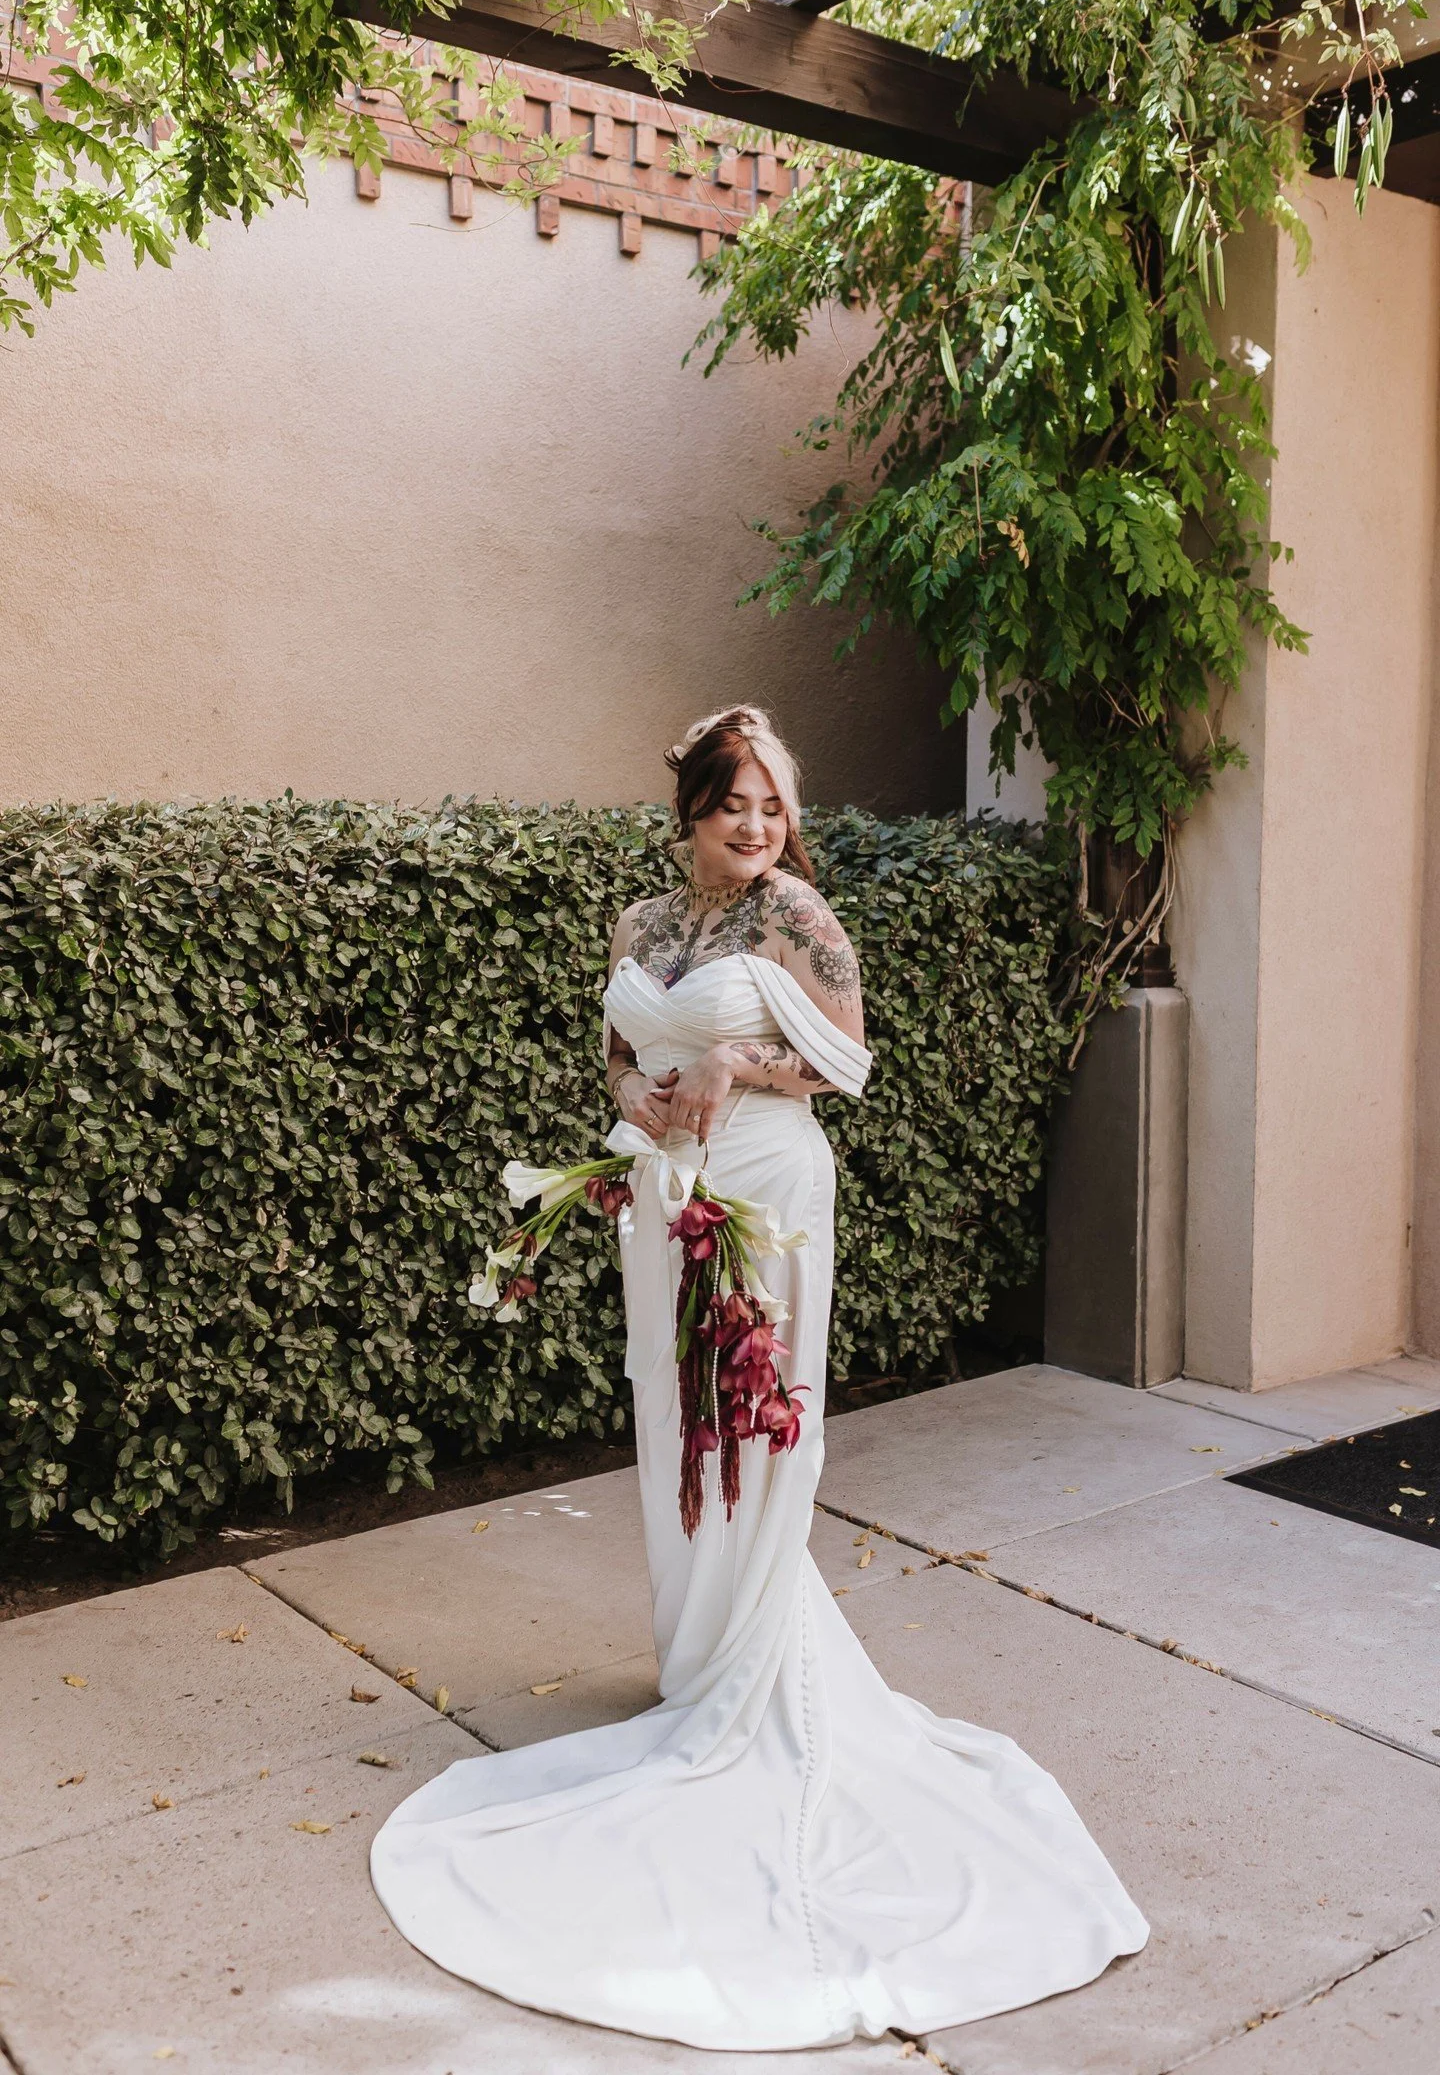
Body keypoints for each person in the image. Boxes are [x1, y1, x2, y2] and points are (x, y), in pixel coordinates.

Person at [370, 705, 1147, 2050]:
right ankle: (696, 1660)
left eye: (772, 807)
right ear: (689, 810)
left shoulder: (799, 921)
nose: (755, 825)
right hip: (666, 1185)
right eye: (733, 802)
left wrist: (735, 1063)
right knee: (678, 1421)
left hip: (771, 1185)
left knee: (760, 1424)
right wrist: (647, 1100)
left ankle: (757, 1670)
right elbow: (617, 1052)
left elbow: (847, 1061)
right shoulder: (640, 926)